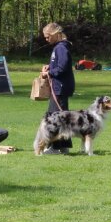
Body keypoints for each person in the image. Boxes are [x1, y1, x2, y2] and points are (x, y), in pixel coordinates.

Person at [41, 23, 76, 154]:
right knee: (62, 117)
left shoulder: (61, 48)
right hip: (59, 87)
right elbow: (59, 64)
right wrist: (49, 66)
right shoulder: (59, 47)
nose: (46, 39)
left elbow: (63, 67)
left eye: (48, 36)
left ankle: (55, 148)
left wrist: (49, 73)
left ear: (55, 34)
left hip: (60, 88)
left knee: (54, 117)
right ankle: (64, 147)